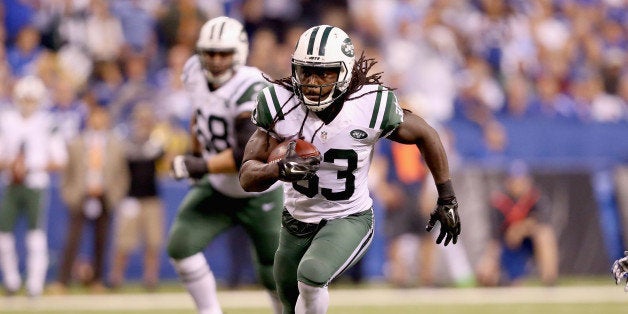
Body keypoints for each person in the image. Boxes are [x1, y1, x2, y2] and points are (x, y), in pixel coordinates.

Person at [239, 25, 461, 313]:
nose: (313, 82)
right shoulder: (279, 104)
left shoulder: (368, 105)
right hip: (295, 221)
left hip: (348, 217)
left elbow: (426, 134)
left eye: (325, 72)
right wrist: (277, 170)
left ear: (344, 72)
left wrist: (447, 197)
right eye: (306, 71)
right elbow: (246, 176)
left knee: (312, 274)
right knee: (288, 300)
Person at [167, 16, 284, 314]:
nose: (216, 60)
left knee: (273, 268)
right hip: (219, 186)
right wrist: (195, 153)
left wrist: (198, 166)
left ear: (239, 53)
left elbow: (245, 154)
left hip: (260, 189)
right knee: (181, 245)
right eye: (210, 52)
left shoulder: (252, 86)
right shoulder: (194, 70)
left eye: (224, 53)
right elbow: (199, 116)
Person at [49, 106, 130, 294]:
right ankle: (62, 282)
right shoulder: (76, 143)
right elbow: (67, 173)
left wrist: (115, 195)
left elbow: (122, 175)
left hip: (104, 195)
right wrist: (69, 195)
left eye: (102, 116)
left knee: (101, 241)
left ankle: (97, 281)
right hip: (81, 195)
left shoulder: (116, 144)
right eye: (95, 116)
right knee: (72, 240)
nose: (98, 120)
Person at [0, 75, 68, 297]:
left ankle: (34, 284)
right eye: (25, 98)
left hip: (36, 184)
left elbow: (60, 159)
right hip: (12, 183)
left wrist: (30, 166)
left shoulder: (48, 122)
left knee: (35, 236)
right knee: (4, 235)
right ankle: (11, 281)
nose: (28, 103)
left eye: (32, 99)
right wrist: (12, 164)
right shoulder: (6, 119)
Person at [109, 103, 165, 291]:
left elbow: (164, 158)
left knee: (153, 242)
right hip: (130, 199)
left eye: (147, 120)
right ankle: (115, 278)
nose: (144, 124)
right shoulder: (127, 144)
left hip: (151, 199)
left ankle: (151, 279)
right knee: (124, 242)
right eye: (141, 120)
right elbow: (119, 170)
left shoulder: (156, 143)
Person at [475, 160, 558, 287]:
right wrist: (490, 261)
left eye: (522, 180)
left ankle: (549, 283)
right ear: (508, 182)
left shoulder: (535, 198)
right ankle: (503, 281)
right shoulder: (500, 201)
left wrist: (520, 229)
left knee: (545, 235)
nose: (519, 184)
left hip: (529, 243)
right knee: (484, 273)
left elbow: (542, 222)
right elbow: (495, 238)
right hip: (508, 245)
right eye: (515, 180)